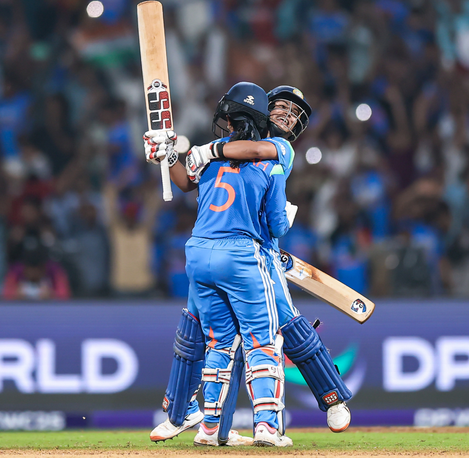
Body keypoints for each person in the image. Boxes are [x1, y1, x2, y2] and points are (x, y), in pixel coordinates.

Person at [147, 86, 352, 444]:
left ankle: (332, 397)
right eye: (282, 106)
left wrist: (201, 150)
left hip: (256, 253)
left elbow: (254, 150)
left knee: (287, 327)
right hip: (228, 249)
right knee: (198, 331)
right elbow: (184, 181)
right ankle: (191, 417)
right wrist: (168, 156)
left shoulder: (277, 150)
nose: (288, 113)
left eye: (295, 110)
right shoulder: (224, 148)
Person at [148, 82, 292, 447]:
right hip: (241, 254)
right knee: (262, 342)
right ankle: (266, 427)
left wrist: (178, 156)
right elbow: (276, 225)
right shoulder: (272, 162)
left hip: (198, 252)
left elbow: (182, 183)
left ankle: (209, 429)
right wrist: (166, 153)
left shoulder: (208, 156)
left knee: (217, 344)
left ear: (228, 120)